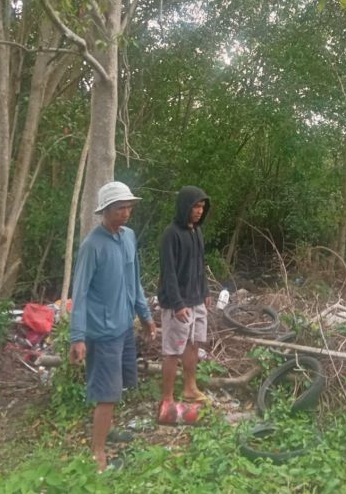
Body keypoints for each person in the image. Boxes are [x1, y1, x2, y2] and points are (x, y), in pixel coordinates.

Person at [69, 181, 156, 472]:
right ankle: (98, 452)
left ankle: (107, 433)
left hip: (124, 327)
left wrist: (145, 316)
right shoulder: (92, 245)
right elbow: (79, 293)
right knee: (106, 394)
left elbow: (135, 281)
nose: (126, 213)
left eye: (129, 207)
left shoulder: (129, 237)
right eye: (120, 208)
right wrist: (77, 336)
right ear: (105, 211)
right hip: (102, 332)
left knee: (119, 386)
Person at [157, 185, 212, 420]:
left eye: (201, 206)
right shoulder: (171, 234)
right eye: (195, 206)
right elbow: (168, 272)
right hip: (176, 304)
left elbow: (199, 265)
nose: (199, 211)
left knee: (194, 345)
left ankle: (190, 388)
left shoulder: (196, 232)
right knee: (172, 351)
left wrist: (206, 290)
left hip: (196, 299)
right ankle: (167, 398)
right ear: (184, 207)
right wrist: (178, 304)